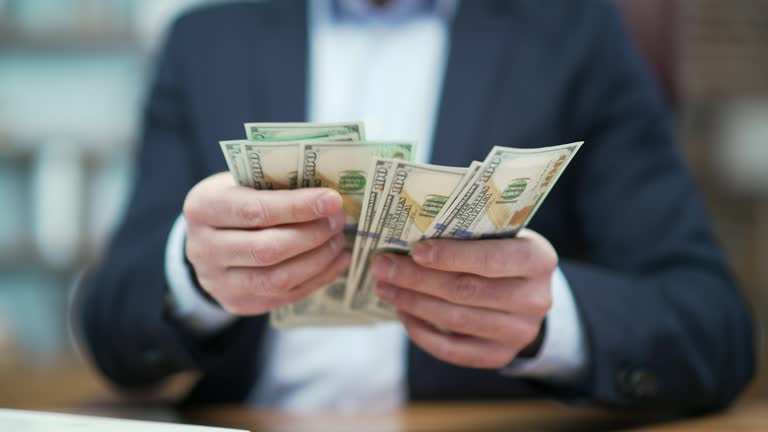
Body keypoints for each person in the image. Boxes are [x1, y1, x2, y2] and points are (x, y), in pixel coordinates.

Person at [76, 0, 755, 413]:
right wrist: (194, 275)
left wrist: (549, 321)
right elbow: (112, 330)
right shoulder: (202, 44)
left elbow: (714, 331)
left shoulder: (577, 36)